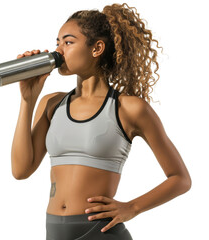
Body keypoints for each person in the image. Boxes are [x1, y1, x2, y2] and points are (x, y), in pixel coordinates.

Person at [11, 3, 192, 240]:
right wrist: (28, 99)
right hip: (54, 231)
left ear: (96, 48)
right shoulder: (51, 104)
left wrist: (132, 208)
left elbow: (180, 179)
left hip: (102, 232)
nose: (58, 51)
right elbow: (20, 170)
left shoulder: (129, 108)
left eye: (68, 42)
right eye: (57, 42)